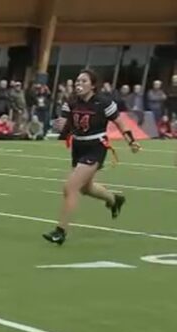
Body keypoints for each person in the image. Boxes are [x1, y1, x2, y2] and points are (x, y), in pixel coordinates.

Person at [43, 69, 141, 245]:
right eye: (77, 81)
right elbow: (66, 126)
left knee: (70, 187)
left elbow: (119, 122)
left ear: (93, 85)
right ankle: (114, 199)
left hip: (96, 146)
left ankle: (60, 231)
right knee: (85, 188)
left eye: (83, 81)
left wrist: (131, 141)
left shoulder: (103, 102)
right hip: (78, 146)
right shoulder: (72, 102)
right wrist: (61, 126)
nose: (79, 84)